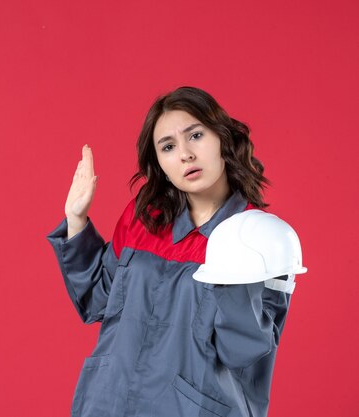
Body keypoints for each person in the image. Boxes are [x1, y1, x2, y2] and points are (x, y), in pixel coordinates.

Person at [46, 86, 297, 417]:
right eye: (168, 146)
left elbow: (243, 352)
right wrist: (76, 220)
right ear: (160, 164)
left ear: (222, 138)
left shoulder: (258, 238)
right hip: (108, 404)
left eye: (195, 136)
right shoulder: (145, 218)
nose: (185, 154)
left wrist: (234, 270)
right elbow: (98, 300)